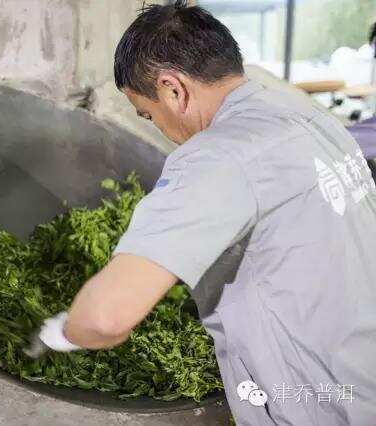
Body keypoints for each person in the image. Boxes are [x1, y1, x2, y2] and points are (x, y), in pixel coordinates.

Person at [29, 1, 376, 425]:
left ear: (173, 89)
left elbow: (105, 317)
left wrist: (64, 332)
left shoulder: (217, 157)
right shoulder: (311, 118)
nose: (159, 128)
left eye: (148, 114)